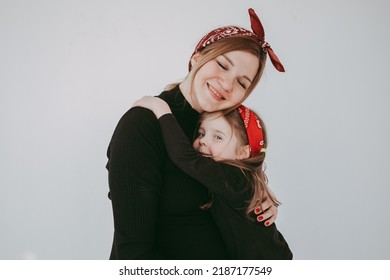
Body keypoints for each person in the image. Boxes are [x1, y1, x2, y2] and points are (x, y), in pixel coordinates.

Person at [106, 8, 285, 259]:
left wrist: (257, 191)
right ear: (197, 57)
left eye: (242, 83)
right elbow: (133, 255)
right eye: (222, 65)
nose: (226, 84)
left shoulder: (222, 132)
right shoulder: (143, 125)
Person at [132, 96, 293, 259]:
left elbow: (186, 158)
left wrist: (160, 109)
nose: (203, 142)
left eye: (218, 137)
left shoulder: (234, 178)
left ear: (242, 153)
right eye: (201, 133)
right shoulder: (234, 179)